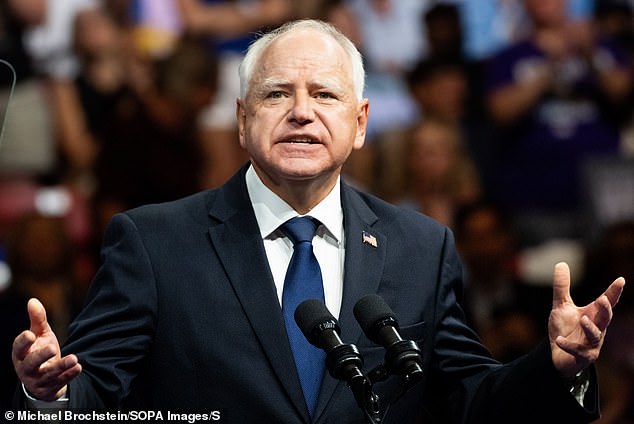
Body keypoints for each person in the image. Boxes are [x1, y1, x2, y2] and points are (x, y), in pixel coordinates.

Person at [12, 19, 626, 423]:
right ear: (242, 119)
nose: (302, 112)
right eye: (278, 94)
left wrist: (555, 367)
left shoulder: (421, 245)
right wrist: (49, 393)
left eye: (325, 95)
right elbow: (94, 396)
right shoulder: (153, 242)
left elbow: (469, 400)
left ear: (360, 124)